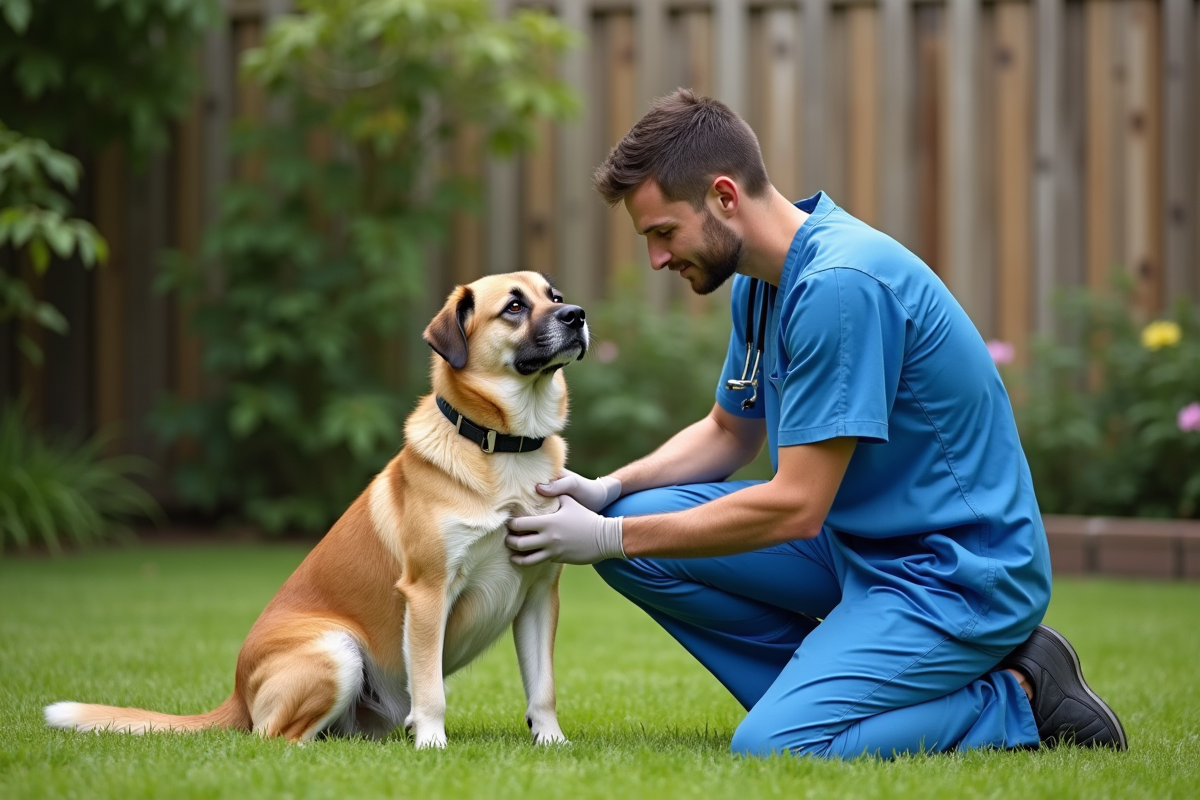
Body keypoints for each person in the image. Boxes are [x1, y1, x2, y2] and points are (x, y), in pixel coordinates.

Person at [504, 89, 1127, 758]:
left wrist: (606, 534)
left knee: (774, 747)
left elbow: (797, 505)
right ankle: (834, 690)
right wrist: (607, 490)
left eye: (662, 233)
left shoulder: (839, 287)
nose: (656, 259)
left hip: (954, 574)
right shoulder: (760, 280)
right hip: (857, 546)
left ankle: (1020, 699)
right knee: (642, 541)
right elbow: (727, 432)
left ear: (723, 197)